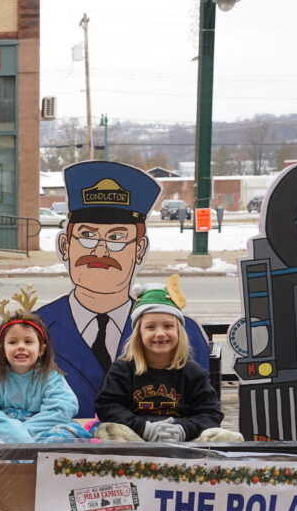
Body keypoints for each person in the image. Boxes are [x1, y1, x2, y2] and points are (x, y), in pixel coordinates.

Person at [35, 161, 209, 418]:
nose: (101, 251)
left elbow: (201, 409)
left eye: (116, 238)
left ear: (139, 249)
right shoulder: (37, 329)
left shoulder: (182, 333)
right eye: (87, 236)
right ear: (64, 245)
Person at [93, 282, 240, 442]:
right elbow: (107, 406)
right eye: (150, 327)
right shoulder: (123, 369)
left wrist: (182, 430)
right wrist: (144, 428)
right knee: (107, 429)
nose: (160, 333)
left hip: (183, 442)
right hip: (137, 439)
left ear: (179, 332)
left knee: (228, 437)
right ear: (138, 335)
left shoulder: (192, 372)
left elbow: (211, 414)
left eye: (168, 326)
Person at [0, 312, 86, 443]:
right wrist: (11, 429)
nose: (21, 346)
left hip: (41, 429)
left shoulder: (50, 375)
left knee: (64, 436)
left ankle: (30, 458)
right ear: (1, 349)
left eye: (28, 341)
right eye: (13, 342)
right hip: (4, 431)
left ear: (41, 350)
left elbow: (63, 408)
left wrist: (22, 432)